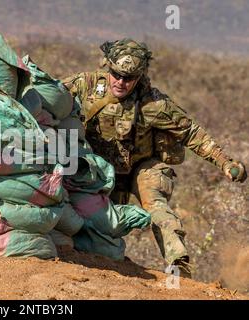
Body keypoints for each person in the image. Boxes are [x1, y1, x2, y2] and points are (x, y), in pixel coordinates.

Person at [63, 38, 247, 277]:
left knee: (156, 206)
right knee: (105, 223)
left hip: (142, 167)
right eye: (116, 74)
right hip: (101, 171)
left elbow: (191, 132)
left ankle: (178, 263)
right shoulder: (86, 85)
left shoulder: (154, 104)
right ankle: (105, 265)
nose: (121, 82)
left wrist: (224, 161)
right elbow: (49, 98)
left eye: (128, 78)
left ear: (139, 77)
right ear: (107, 67)